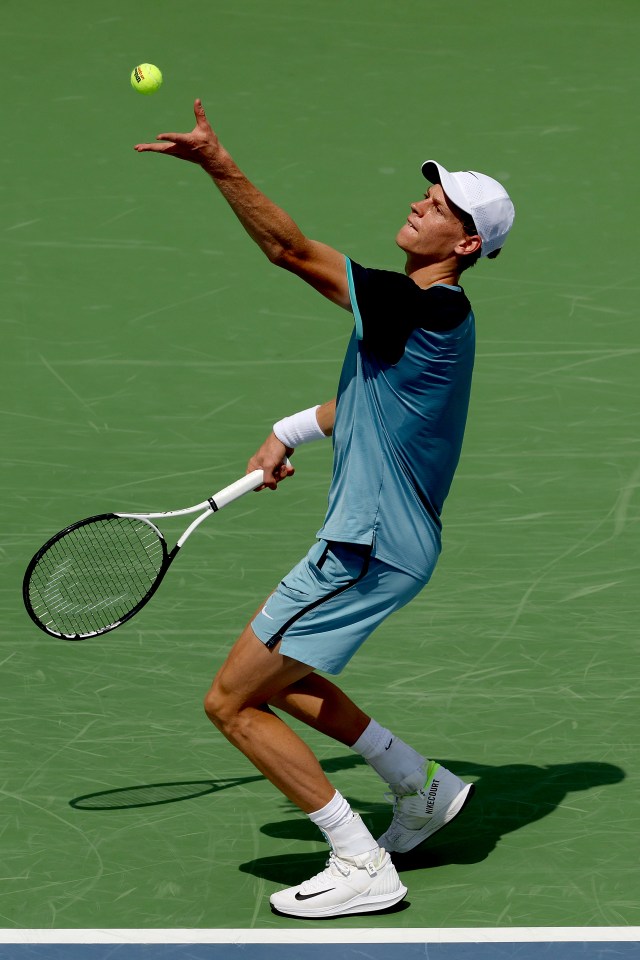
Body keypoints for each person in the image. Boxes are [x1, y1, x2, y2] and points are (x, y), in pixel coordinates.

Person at [135, 100, 515, 919]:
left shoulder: (426, 306)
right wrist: (288, 432)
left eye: (441, 206)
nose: (421, 203)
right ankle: (421, 785)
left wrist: (218, 164)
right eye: (428, 195)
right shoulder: (431, 318)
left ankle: (360, 861)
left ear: (466, 245)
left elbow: (287, 248)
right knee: (285, 680)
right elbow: (365, 404)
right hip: (380, 542)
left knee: (231, 702)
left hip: (369, 547)